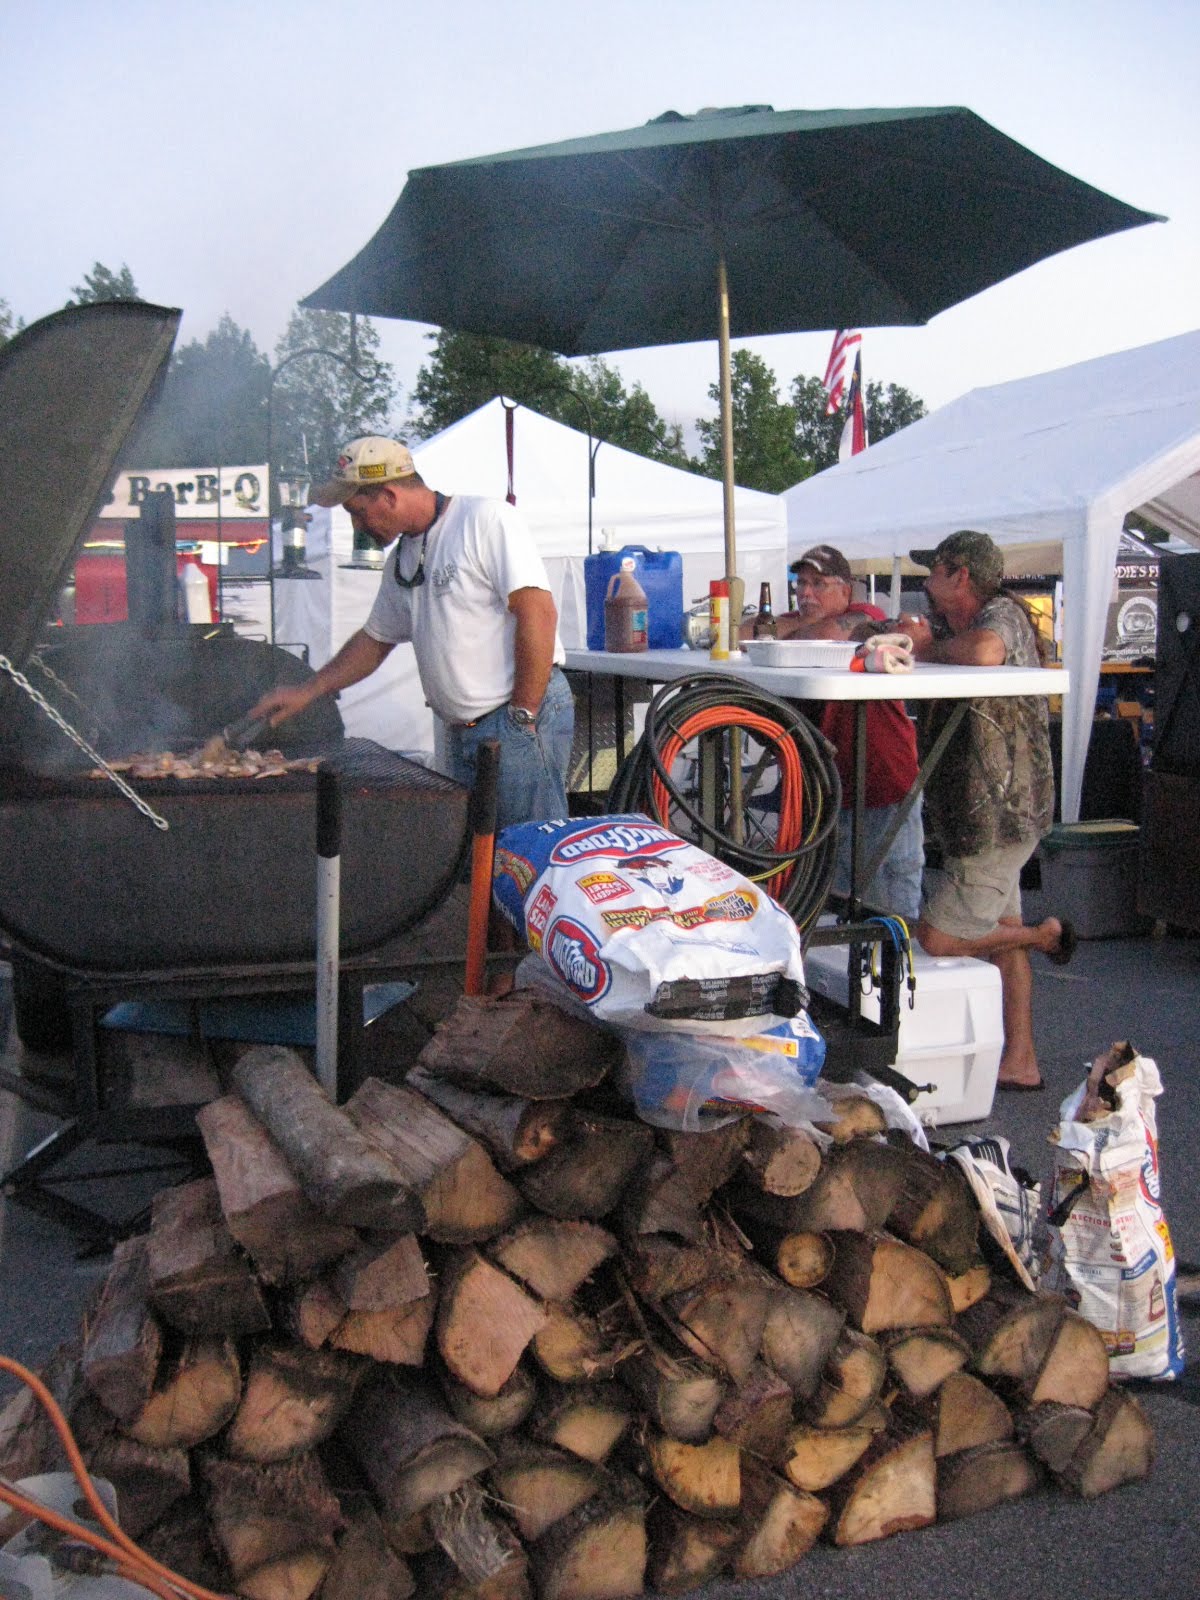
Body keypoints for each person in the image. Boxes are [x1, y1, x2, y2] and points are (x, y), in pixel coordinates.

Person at [248, 436, 574, 831]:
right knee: (479, 857)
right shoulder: (404, 557)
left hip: (514, 720)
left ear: (389, 495)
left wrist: (523, 715)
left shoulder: (485, 520)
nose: (357, 525)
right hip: (463, 730)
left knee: (530, 850)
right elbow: (374, 641)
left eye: (357, 510)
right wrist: (308, 691)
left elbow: (538, 613)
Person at [902, 530, 1073, 1093]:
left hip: (997, 814)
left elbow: (985, 653)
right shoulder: (964, 622)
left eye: (934, 572)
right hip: (999, 812)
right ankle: (1020, 1059)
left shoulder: (1001, 617)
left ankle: (1045, 936)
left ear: (960, 576)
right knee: (1001, 932)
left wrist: (922, 649)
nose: (926, 583)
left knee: (939, 937)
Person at [749, 544, 924, 919]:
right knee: (840, 913)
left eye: (818, 584)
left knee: (891, 917)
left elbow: (832, 633)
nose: (806, 593)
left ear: (847, 591)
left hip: (882, 789)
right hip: (830, 793)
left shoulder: (867, 617)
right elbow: (744, 631)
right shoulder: (797, 622)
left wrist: (778, 634)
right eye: (802, 584)